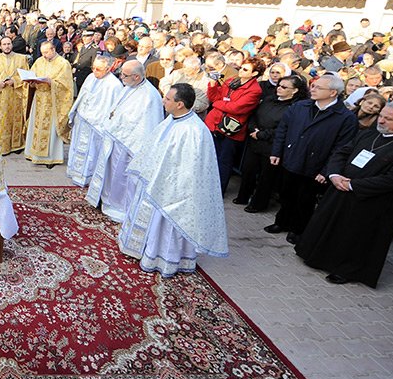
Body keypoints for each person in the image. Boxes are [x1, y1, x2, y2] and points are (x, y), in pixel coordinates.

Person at [296, 103, 393, 286]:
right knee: (329, 226)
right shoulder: (368, 134)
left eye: (388, 119)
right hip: (340, 190)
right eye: (381, 116)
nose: (381, 120)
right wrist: (334, 174)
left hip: (370, 201)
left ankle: (345, 270)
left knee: (355, 237)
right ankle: (315, 256)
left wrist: (352, 185)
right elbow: (342, 152)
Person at [117, 83, 228, 275]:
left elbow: (191, 170)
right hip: (158, 182)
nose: (163, 101)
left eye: (168, 99)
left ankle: (162, 259)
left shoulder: (194, 131)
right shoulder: (171, 119)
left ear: (180, 104)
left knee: (167, 226)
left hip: (175, 192)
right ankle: (143, 248)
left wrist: (167, 183)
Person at [266, 74, 358, 243]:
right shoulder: (300, 106)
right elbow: (282, 129)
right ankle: (282, 222)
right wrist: (277, 152)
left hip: (315, 167)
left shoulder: (345, 117)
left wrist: (326, 170)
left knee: (305, 200)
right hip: (291, 159)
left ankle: (298, 229)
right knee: (286, 194)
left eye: (318, 87)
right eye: (313, 86)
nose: (312, 89)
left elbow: (341, 148)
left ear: (333, 92)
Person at [88, 60, 164, 222]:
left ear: (136, 76)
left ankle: (119, 207)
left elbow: (146, 125)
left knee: (122, 177)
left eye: (125, 75)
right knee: (111, 174)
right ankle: (106, 200)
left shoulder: (150, 96)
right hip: (116, 139)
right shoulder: (129, 87)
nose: (121, 77)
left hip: (130, 145)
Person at [234, 75, 306, 212]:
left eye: (284, 87)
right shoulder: (269, 99)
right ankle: (243, 196)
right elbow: (254, 115)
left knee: (266, 178)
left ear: (295, 90)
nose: (279, 88)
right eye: (279, 85)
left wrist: (262, 134)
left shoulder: (295, 108)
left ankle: (258, 204)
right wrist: (253, 129)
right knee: (248, 170)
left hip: (271, 146)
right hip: (254, 141)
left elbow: (284, 128)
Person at [204, 57, 265, 194]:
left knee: (224, 161)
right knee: (210, 157)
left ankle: (218, 190)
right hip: (214, 123)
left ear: (254, 73)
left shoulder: (255, 90)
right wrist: (212, 85)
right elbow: (214, 97)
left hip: (230, 129)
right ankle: (206, 185)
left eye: (245, 69)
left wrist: (217, 104)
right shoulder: (232, 81)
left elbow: (236, 108)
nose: (241, 70)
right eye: (241, 67)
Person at [67, 55, 123, 186]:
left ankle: (88, 178)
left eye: (98, 69)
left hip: (96, 125)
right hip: (82, 120)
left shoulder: (114, 85)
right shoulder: (90, 77)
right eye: (93, 68)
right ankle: (75, 173)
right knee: (77, 148)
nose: (94, 71)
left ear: (108, 69)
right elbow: (82, 96)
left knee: (92, 153)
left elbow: (113, 109)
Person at [24, 41, 74, 167]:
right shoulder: (39, 61)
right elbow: (32, 75)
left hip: (53, 102)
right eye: (42, 53)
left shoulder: (63, 64)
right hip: (39, 99)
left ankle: (51, 158)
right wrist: (31, 82)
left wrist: (51, 82)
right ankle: (34, 154)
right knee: (36, 126)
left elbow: (66, 87)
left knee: (50, 130)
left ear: (53, 49)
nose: (44, 55)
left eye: (46, 52)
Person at [0, 35, 30, 154]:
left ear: (12, 45)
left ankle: (17, 145)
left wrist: (15, 81)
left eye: (9, 44)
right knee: (2, 121)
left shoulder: (21, 59)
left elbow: (26, 76)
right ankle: (2, 145)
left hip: (16, 96)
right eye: (4, 44)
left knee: (16, 120)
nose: (7, 46)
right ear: (0, 46)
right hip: (1, 97)